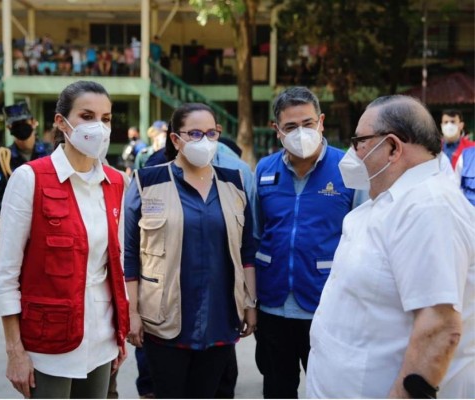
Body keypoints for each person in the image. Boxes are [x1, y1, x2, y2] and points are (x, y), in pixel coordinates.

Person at [307, 95, 475, 398]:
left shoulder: (428, 206)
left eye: (359, 141)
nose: (352, 152)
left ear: (394, 147)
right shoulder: (389, 204)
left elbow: (439, 327)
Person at [0, 81, 130, 399]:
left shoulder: (116, 182)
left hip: (102, 334)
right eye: (87, 115)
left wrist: (120, 332)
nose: (98, 127)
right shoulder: (29, 178)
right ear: (61, 122)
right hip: (48, 339)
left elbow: (115, 265)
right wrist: (14, 351)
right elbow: (7, 276)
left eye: (105, 118)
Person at [124, 102, 257, 399]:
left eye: (211, 133)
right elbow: (130, 254)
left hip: (220, 319)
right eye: (195, 134)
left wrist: (250, 302)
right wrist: (131, 312)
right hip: (164, 320)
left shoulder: (233, 183)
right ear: (175, 139)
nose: (204, 141)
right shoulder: (147, 182)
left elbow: (246, 249)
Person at [254, 86, 358, 398]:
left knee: (325, 390)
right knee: (276, 387)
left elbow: (363, 239)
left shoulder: (349, 170)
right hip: (272, 306)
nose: (301, 133)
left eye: (308, 124)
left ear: (321, 122)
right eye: (291, 127)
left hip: (325, 305)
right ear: (277, 131)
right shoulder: (264, 170)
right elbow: (257, 233)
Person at [0, 101, 52, 217]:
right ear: (9, 128)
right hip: (17, 222)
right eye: (15, 124)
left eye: (23, 122)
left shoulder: (51, 152)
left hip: (48, 218)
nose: (20, 127)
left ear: (33, 122)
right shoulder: (4, 158)